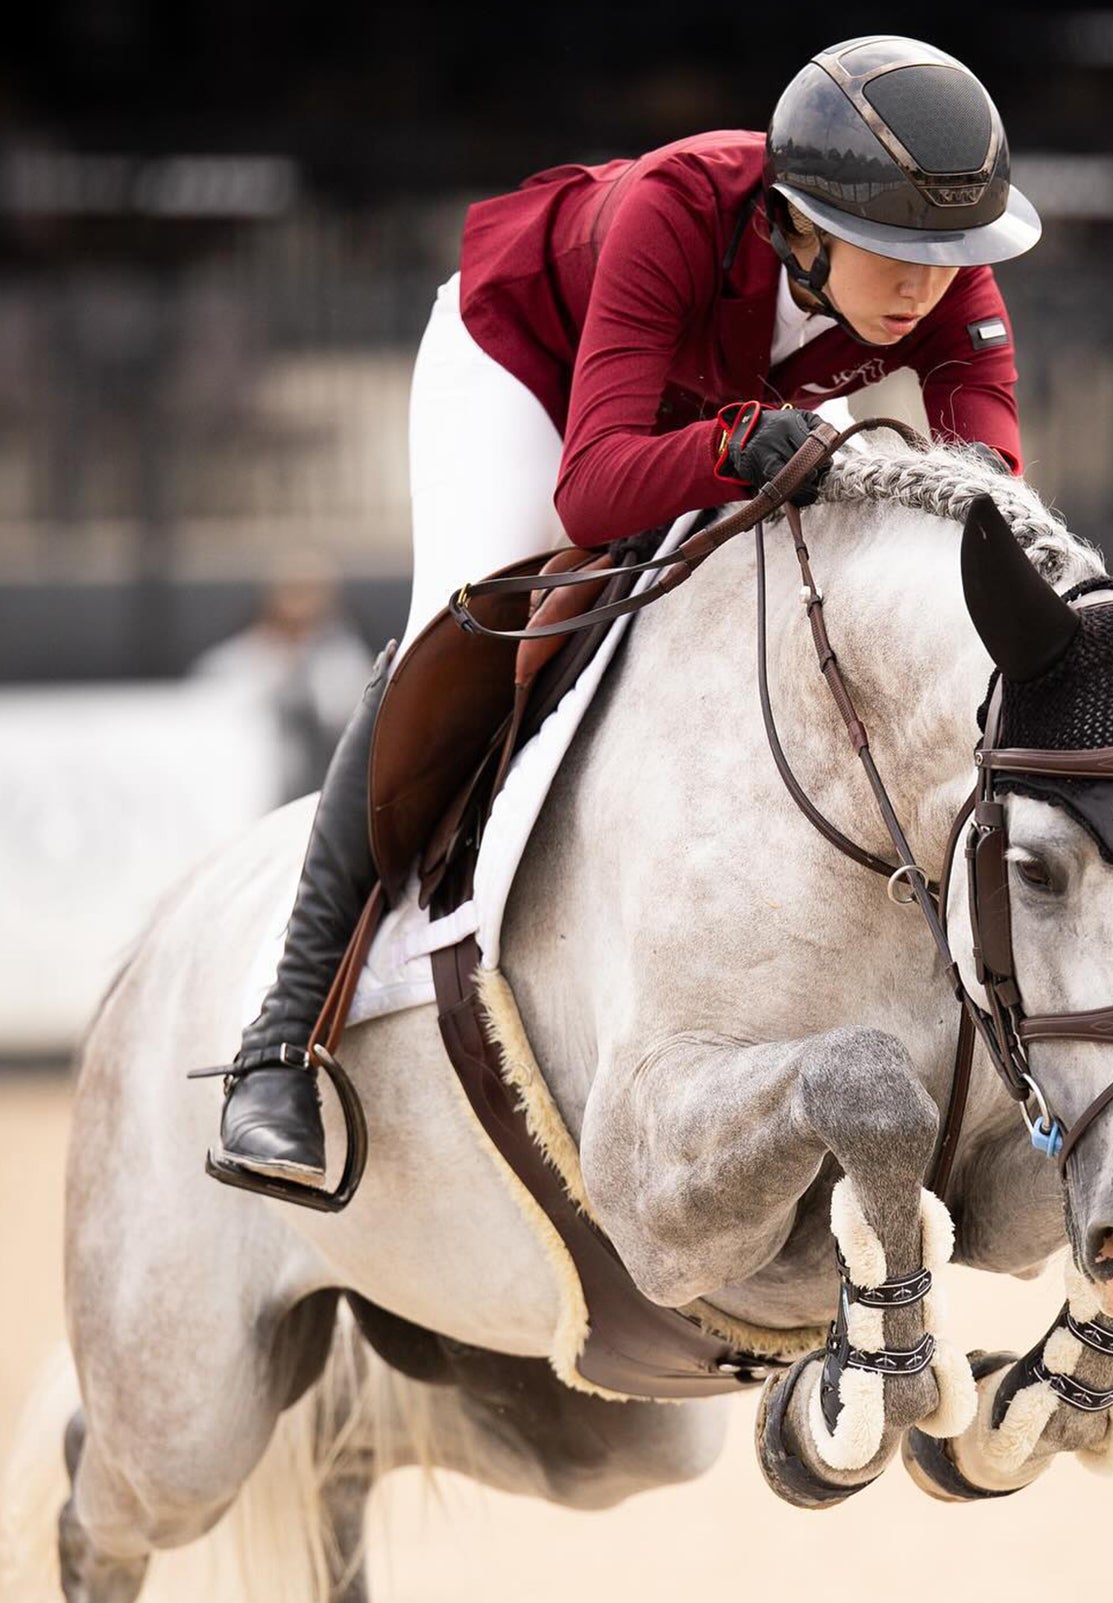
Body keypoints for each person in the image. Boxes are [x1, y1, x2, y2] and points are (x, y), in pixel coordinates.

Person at [209, 32, 1042, 1190]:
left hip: (701, 403)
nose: (925, 286)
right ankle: (276, 1044)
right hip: (528, 365)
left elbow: (989, 490)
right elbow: (592, 484)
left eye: (949, 258)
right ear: (798, 220)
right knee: (470, 627)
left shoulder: (943, 268)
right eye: (892, 252)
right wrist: (740, 443)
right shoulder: (677, 204)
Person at [190, 557, 373, 804]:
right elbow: (204, 719)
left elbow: (358, 723)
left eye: (312, 590)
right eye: (295, 589)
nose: (303, 601)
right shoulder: (235, 661)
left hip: (322, 798)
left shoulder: (345, 660)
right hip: (245, 794)